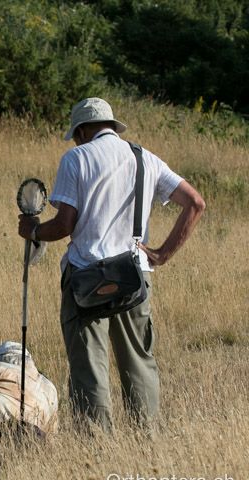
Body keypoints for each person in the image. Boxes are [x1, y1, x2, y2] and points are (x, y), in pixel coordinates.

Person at [18, 97, 205, 431]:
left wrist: (32, 229)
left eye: (76, 134)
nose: (76, 140)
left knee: (90, 367)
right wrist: (161, 254)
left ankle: (96, 446)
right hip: (135, 273)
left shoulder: (76, 158)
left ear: (84, 129)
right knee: (138, 362)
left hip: (86, 275)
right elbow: (195, 203)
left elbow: (64, 226)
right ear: (112, 127)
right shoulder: (144, 158)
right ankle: (144, 440)